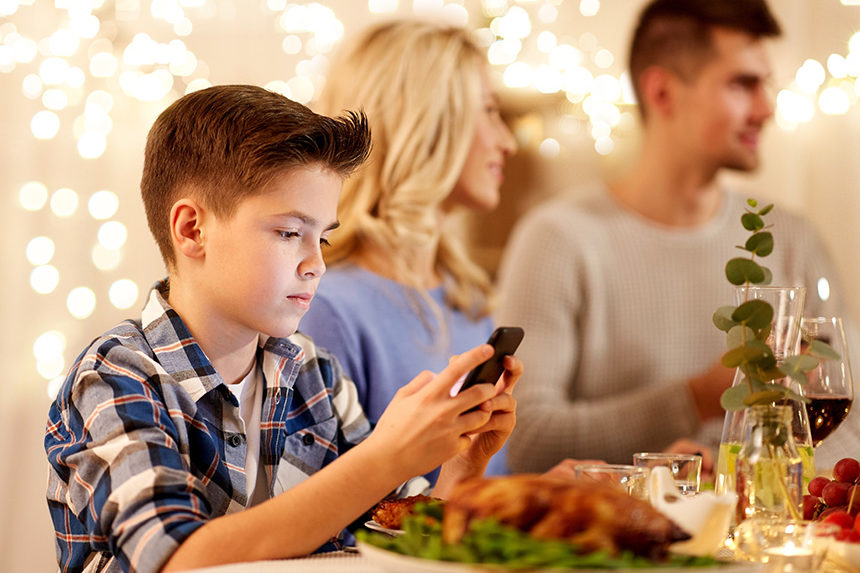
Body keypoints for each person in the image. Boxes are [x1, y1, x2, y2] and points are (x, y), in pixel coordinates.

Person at [44, 85, 521, 573]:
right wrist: (385, 458)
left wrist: (461, 471)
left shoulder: (314, 371)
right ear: (192, 230)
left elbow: (401, 539)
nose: (316, 264)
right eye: (290, 233)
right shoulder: (114, 378)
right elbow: (174, 560)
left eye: (323, 237)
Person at [496, 0, 856, 472]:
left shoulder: (793, 239)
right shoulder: (557, 240)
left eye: (764, 84)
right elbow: (525, 440)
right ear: (662, 92)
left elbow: (851, 423)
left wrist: (745, 470)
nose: (767, 108)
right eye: (742, 84)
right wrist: (698, 398)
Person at [299, 20, 517, 482]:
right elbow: (329, 520)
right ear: (428, 122)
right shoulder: (326, 307)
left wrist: (546, 492)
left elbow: (477, 485)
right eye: (491, 111)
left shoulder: (467, 297)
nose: (507, 141)